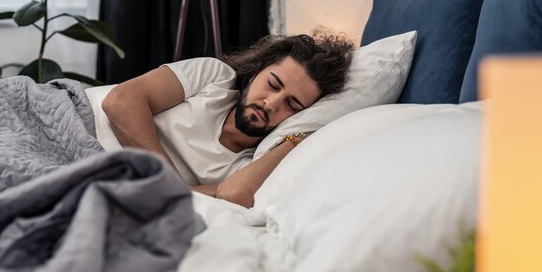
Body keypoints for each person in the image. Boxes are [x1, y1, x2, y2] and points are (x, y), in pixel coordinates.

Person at [102, 31, 354, 207]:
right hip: (77, 120)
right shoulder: (215, 76)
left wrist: (295, 140)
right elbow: (120, 102)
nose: (271, 103)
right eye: (273, 84)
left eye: (292, 104)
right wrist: (169, 184)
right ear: (257, 71)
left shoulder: (250, 164)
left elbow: (233, 195)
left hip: (104, 173)